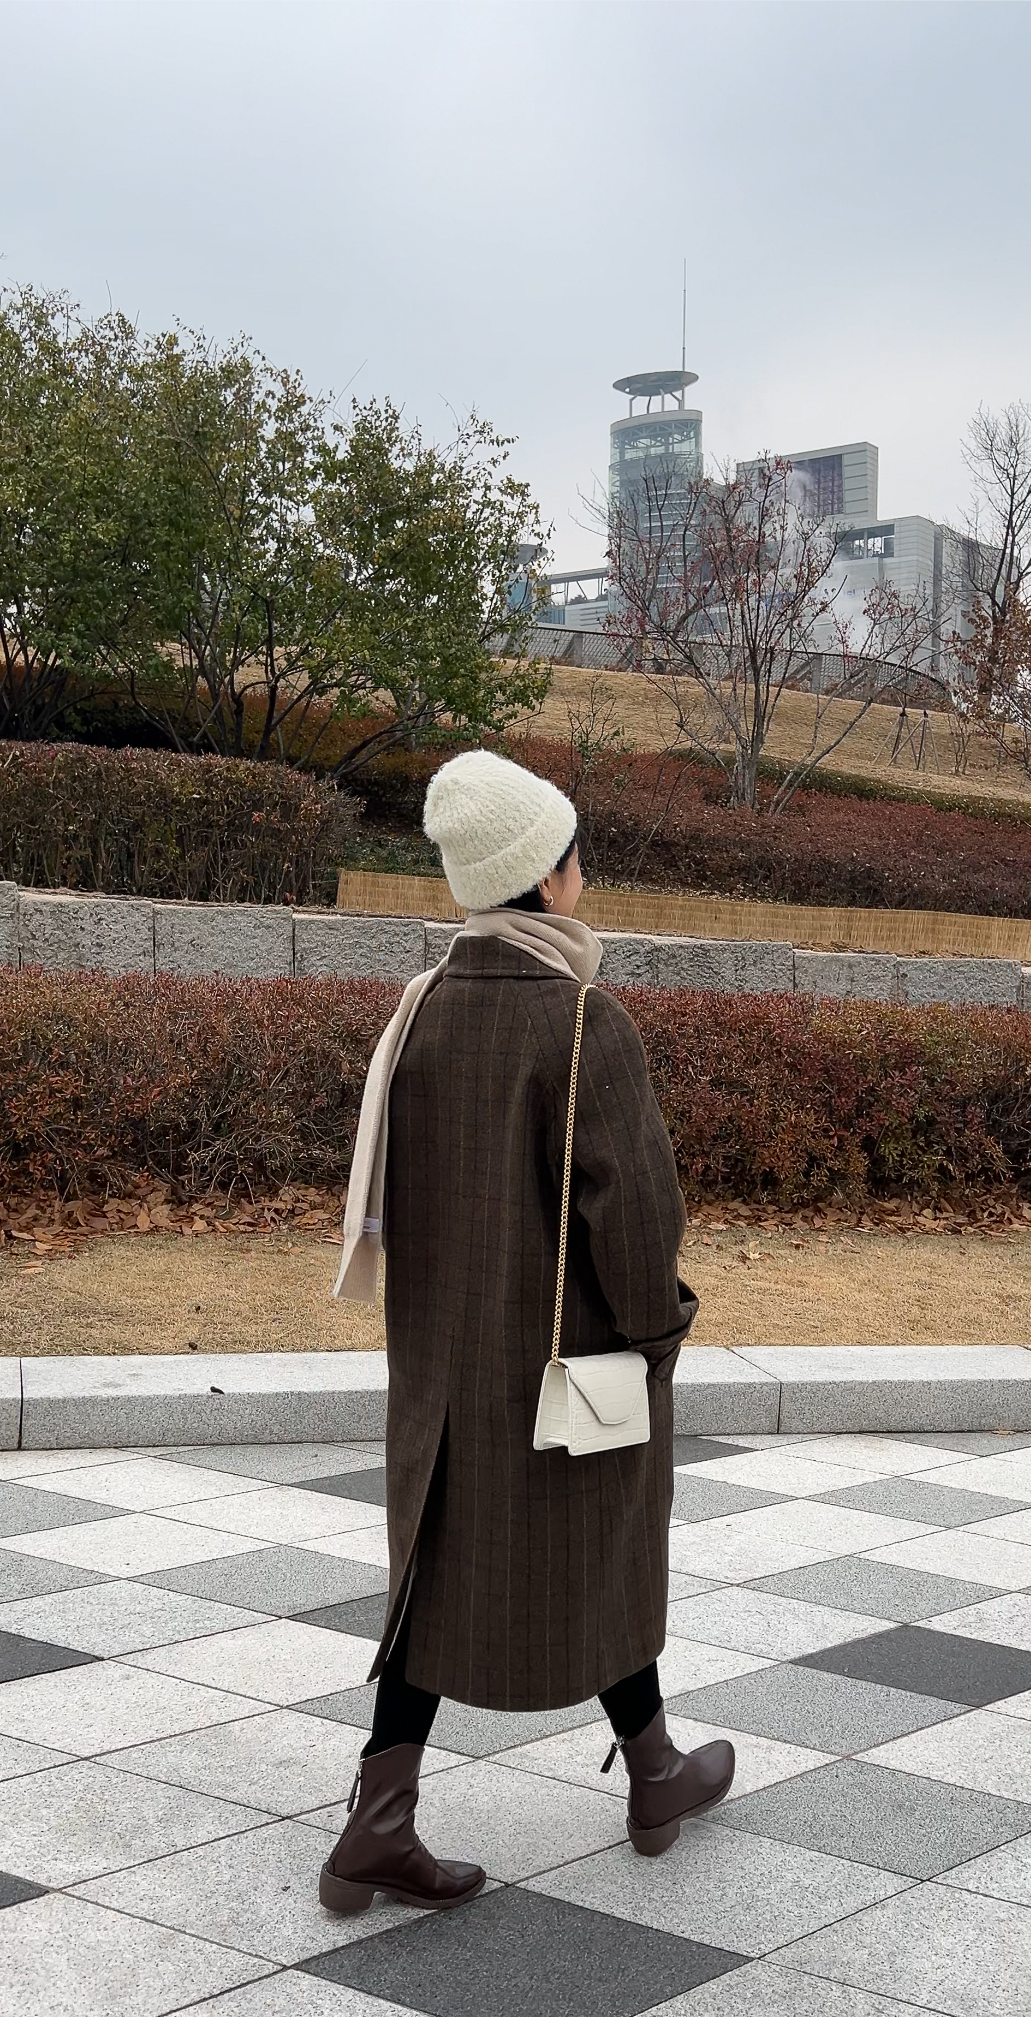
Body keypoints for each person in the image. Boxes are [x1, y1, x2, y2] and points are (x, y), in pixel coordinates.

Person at [320, 749, 733, 1913]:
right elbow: (636, 1218)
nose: (580, 867)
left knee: (435, 1576)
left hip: (443, 1372)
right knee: (600, 1549)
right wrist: (658, 1337)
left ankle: (389, 1817)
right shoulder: (583, 1020)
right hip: (564, 1371)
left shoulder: (423, 1010)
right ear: (546, 877)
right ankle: (651, 1773)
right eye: (572, 850)